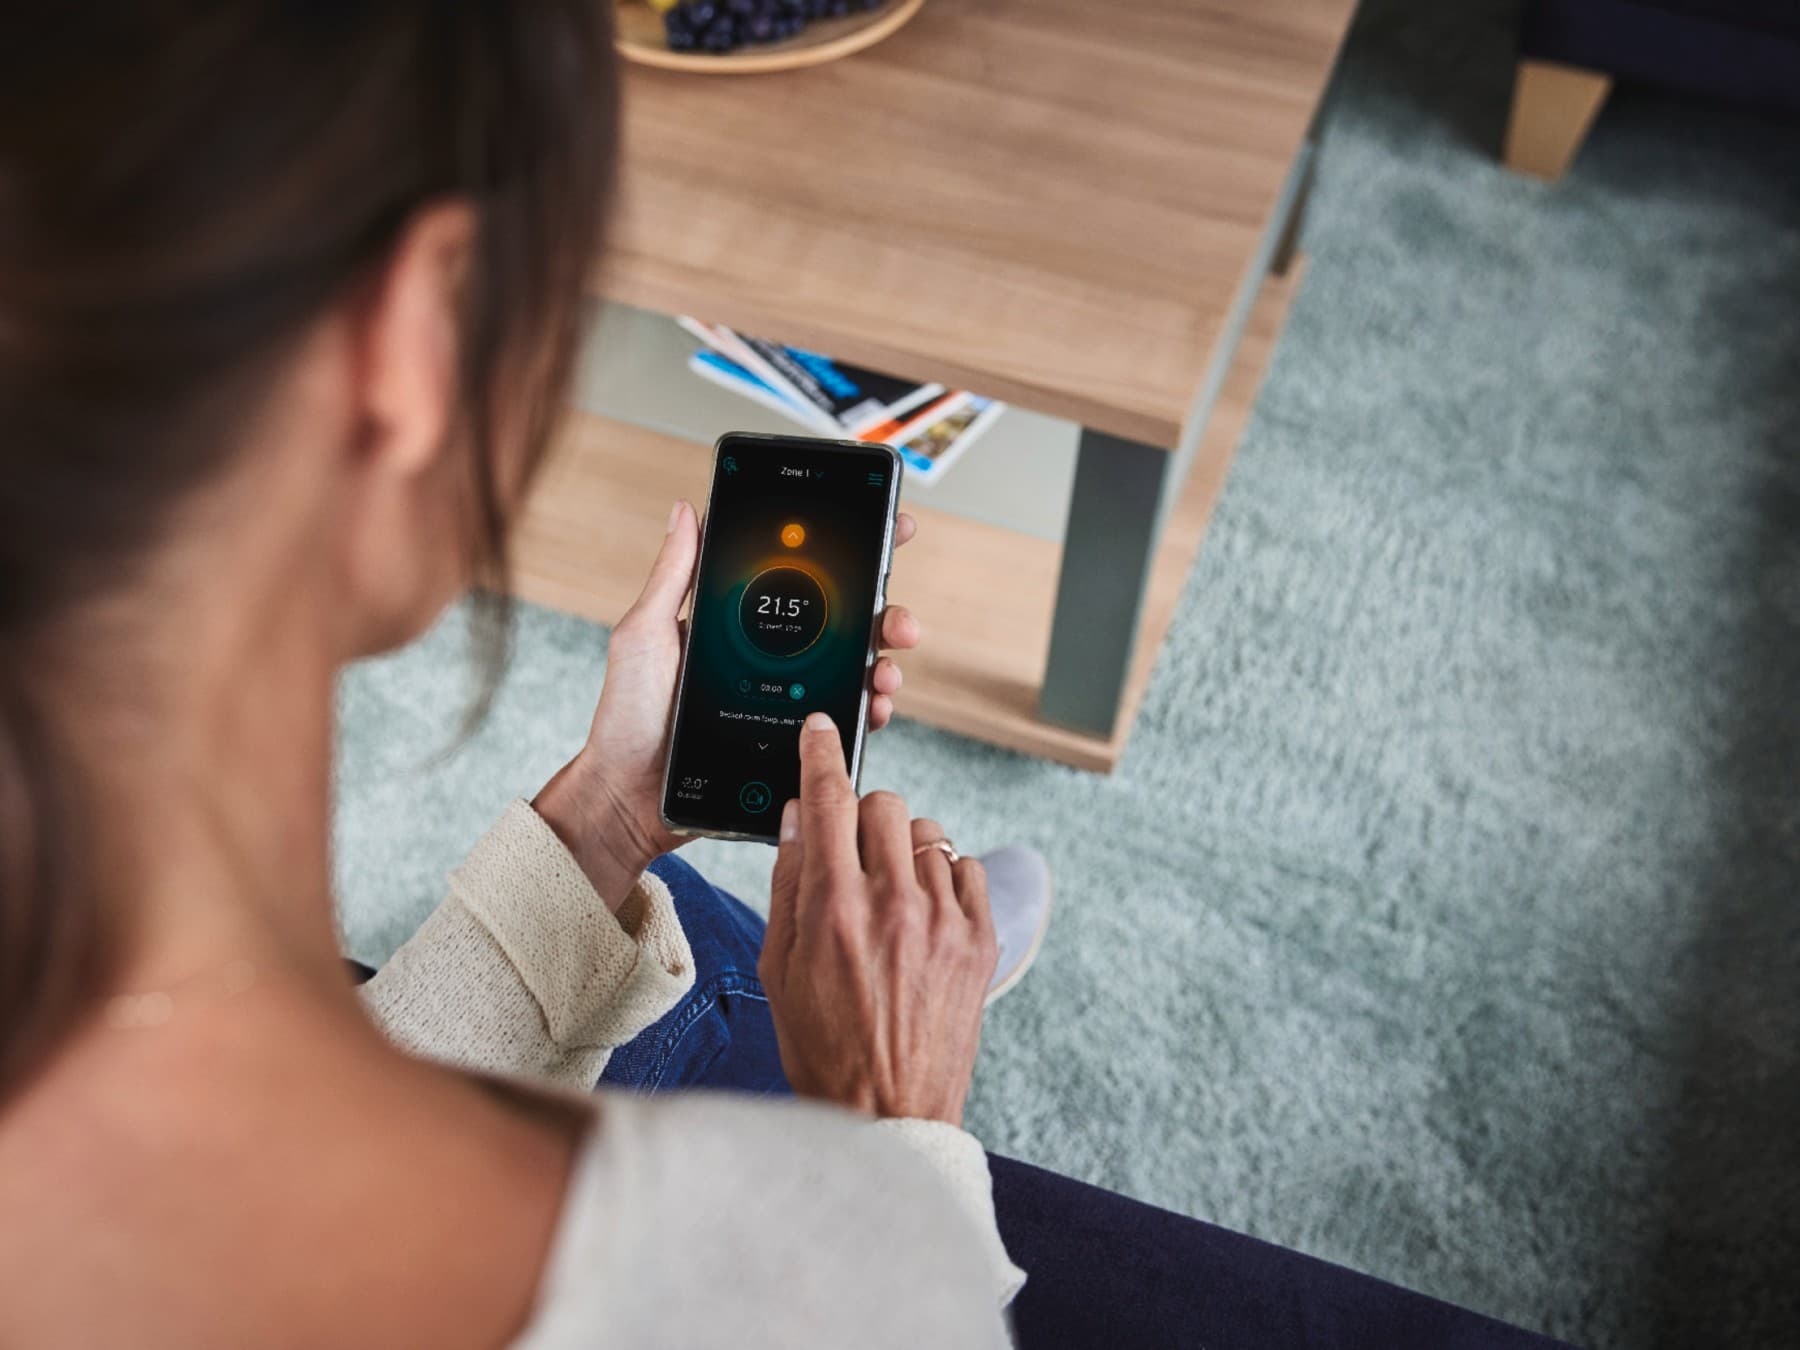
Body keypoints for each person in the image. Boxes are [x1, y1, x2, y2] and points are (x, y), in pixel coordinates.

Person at [0, 6, 1573, 1348]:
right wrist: (890, 1137)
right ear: (411, 342)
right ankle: (869, 986)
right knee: (745, 960)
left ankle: (756, 943)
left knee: (676, 911)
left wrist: (607, 812)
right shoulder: (755, 1280)